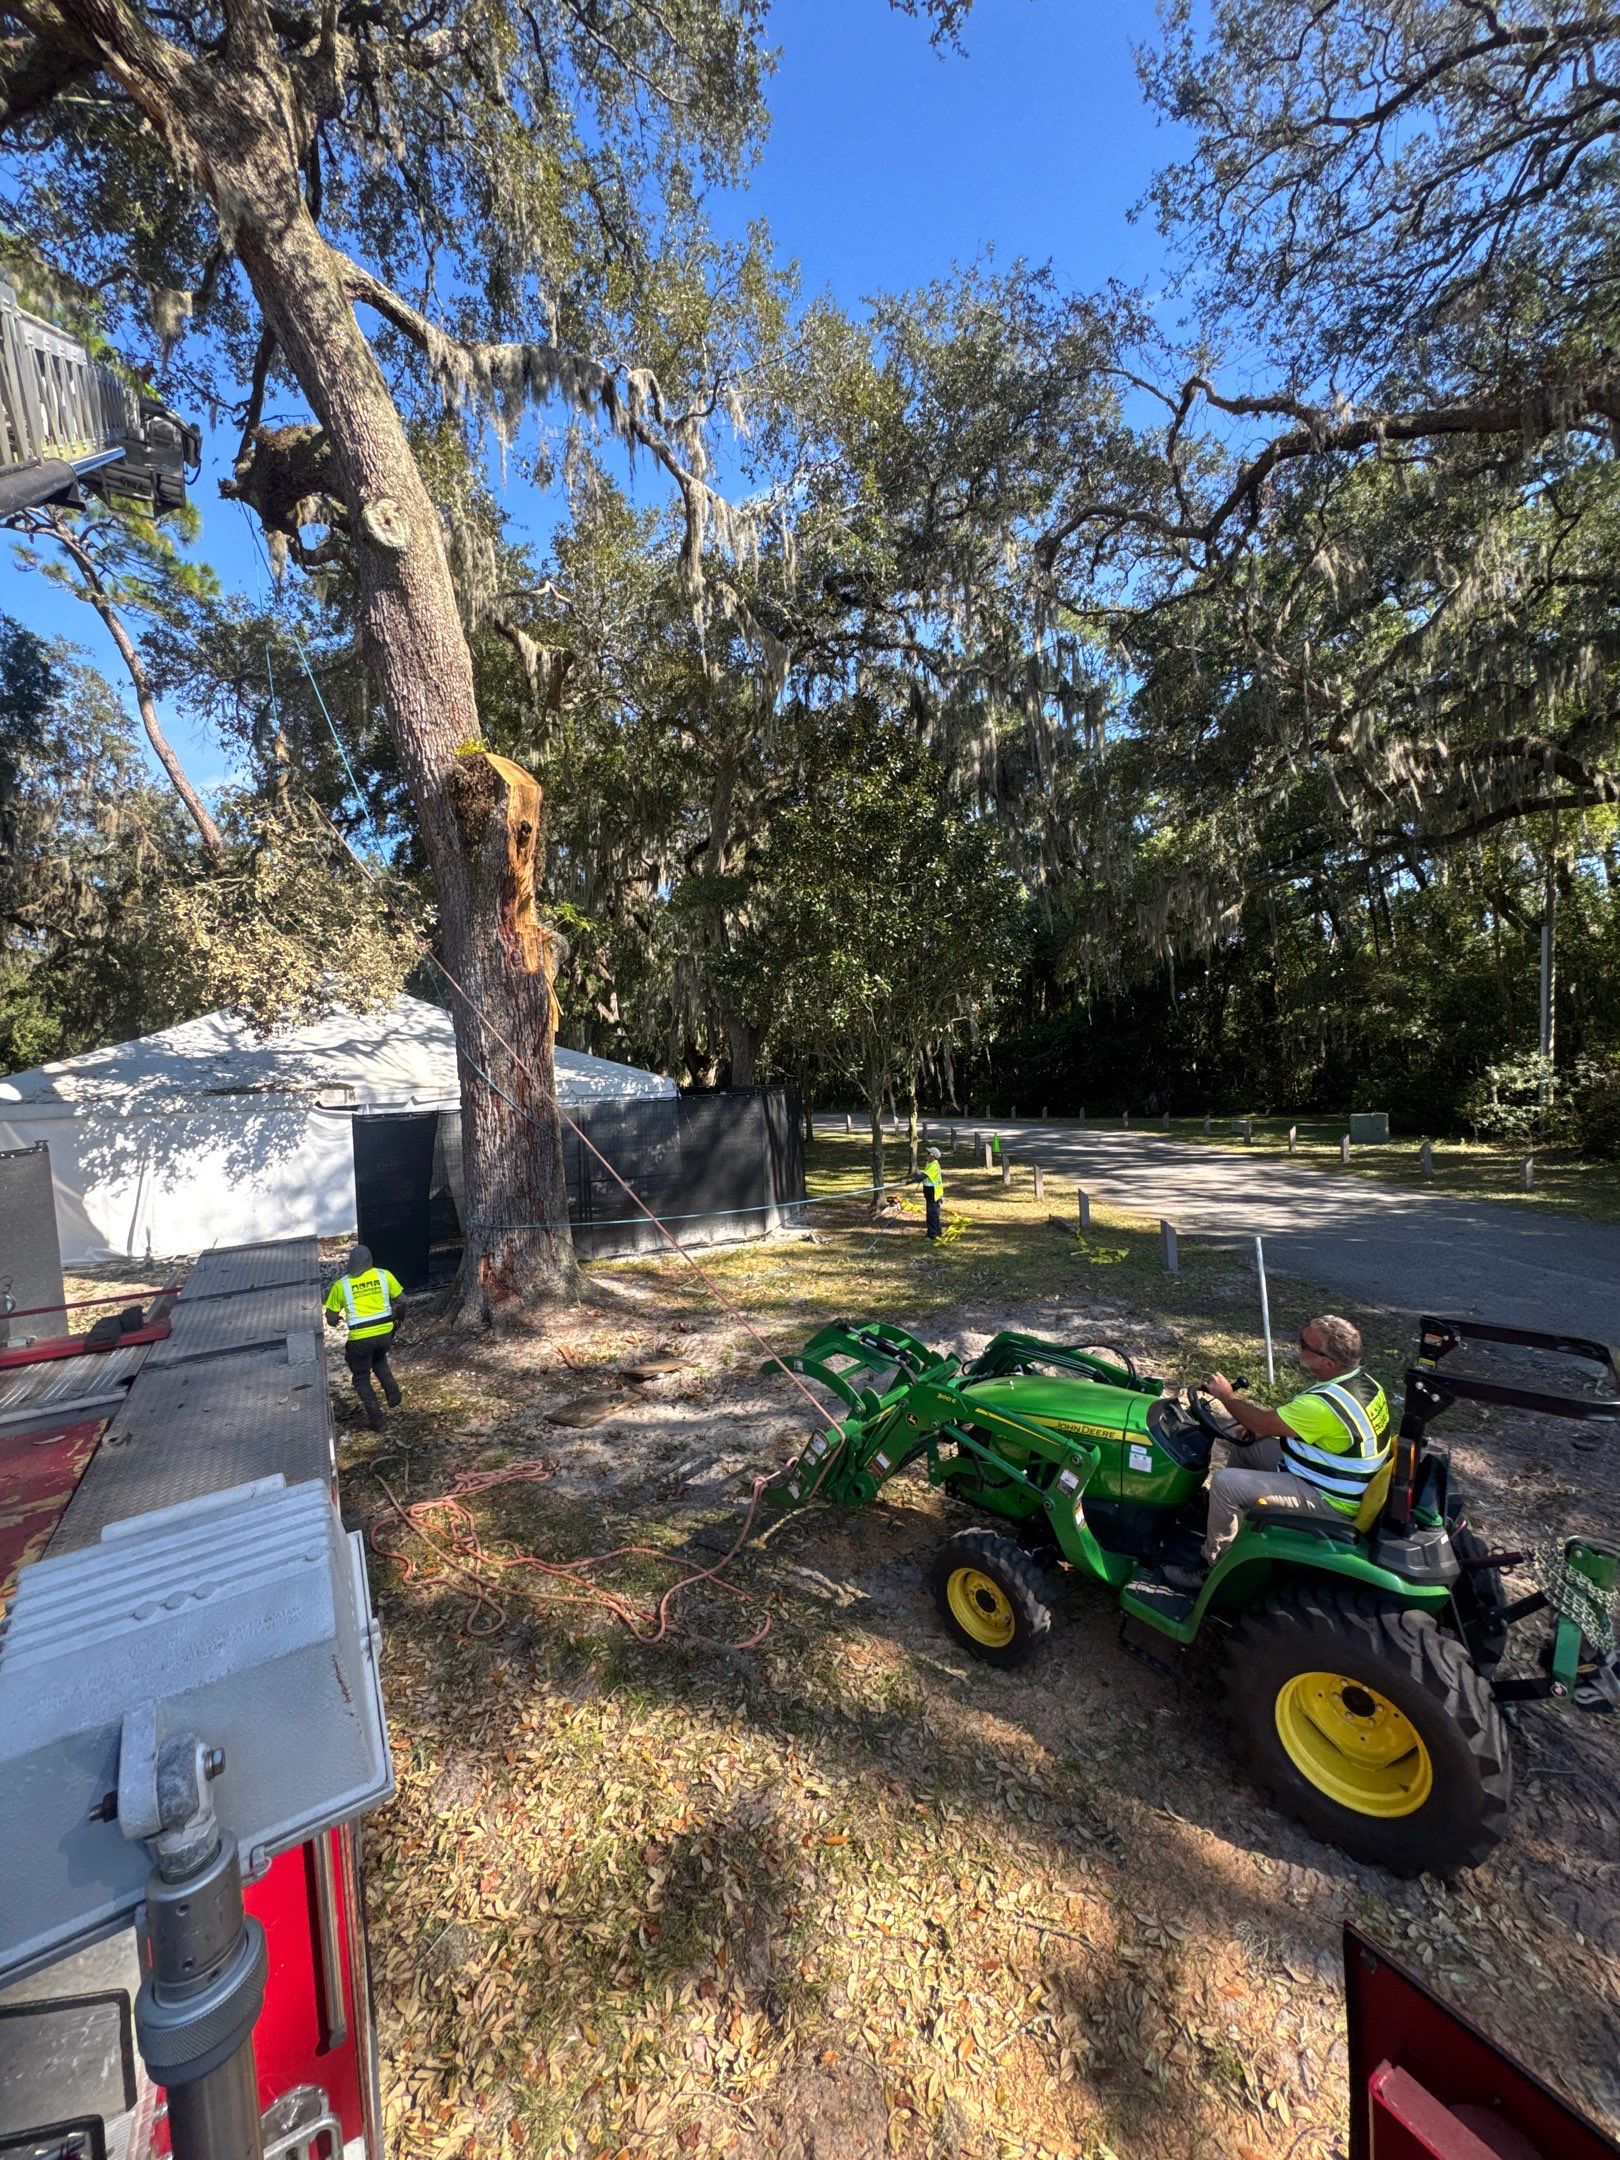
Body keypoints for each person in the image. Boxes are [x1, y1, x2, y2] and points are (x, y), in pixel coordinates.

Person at [1162, 1313, 1391, 1590]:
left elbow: (1260, 1421)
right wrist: (1259, 1429)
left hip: (1330, 1500)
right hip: (1335, 1476)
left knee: (1224, 1483)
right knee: (1249, 1445)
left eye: (1304, 1345)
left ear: (1328, 1362)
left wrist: (1226, 1395)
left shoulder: (1322, 1405)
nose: (1298, 1346)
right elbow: (1291, 1428)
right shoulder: (1363, 1383)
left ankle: (1211, 1567)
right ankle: (1231, 1523)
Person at [324, 1243, 405, 1429]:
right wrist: (398, 1320)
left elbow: (330, 1317)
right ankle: (393, 1393)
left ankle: (377, 1419)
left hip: (360, 1338)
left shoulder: (341, 1285)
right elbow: (402, 1301)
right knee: (378, 1358)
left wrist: (335, 1321)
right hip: (385, 1334)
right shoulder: (384, 1275)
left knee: (361, 1378)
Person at [913, 1146, 945, 1240]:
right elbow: (925, 1176)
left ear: (932, 1155)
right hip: (930, 1192)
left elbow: (923, 1176)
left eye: (928, 1153)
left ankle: (932, 1235)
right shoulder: (930, 1163)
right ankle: (937, 1232)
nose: (926, 1155)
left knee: (931, 1214)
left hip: (933, 1192)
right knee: (934, 1213)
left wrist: (915, 1179)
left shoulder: (934, 1165)